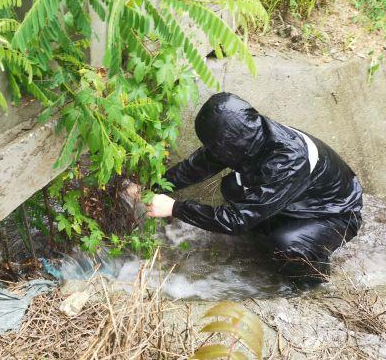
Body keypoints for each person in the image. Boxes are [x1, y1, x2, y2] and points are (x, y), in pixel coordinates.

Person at [148, 92, 363, 282]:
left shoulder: (288, 160)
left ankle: (313, 279)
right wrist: (152, 187)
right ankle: (272, 232)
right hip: (298, 198)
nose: (212, 152)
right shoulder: (247, 134)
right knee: (232, 186)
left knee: (288, 247)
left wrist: (175, 208)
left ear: (232, 144)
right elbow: (198, 166)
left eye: (216, 148)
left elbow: (236, 219)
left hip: (335, 214)